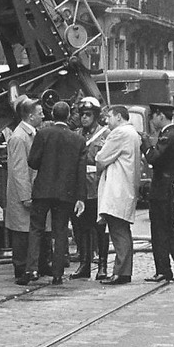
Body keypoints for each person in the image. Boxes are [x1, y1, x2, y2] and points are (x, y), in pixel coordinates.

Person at [25, 100, 86, 286]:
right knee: (60, 231)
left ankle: (31, 270)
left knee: (36, 228)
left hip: (43, 189)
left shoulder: (43, 134)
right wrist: (80, 197)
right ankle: (58, 274)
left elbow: (33, 161)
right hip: (65, 192)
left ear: (52, 114)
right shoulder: (78, 139)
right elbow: (80, 171)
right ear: (68, 116)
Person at [144, 103, 174, 281]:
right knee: (167, 229)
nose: (151, 120)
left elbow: (154, 158)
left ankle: (164, 270)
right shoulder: (173, 134)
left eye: (153, 116)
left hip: (164, 189)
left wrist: (146, 145)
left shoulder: (169, 135)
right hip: (169, 188)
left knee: (159, 230)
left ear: (160, 116)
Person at [95, 104, 141, 285]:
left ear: (119, 117)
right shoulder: (133, 133)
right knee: (122, 230)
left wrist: (101, 149)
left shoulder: (119, 133)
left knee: (118, 230)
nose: (107, 121)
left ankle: (121, 272)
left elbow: (101, 158)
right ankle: (124, 270)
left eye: (110, 117)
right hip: (125, 187)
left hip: (117, 189)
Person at [72, 97, 111, 280]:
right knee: (81, 228)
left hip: (98, 185)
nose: (84, 118)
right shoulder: (77, 134)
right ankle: (84, 264)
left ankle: (102, 265)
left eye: (88, 114)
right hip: (81, 187)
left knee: (100, 228)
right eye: (82, 114)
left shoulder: (106, 134)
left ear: (96, 116)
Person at [4, 96, 41, 283]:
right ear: (30, 116)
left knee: (27, 231)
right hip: (23, 195)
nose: (42, 115)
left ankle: (29, 267)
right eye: (40, 113)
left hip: (30, 192)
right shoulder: (19, 137)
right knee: (21, 232)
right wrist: (26, 196)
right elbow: (19, 169)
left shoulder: (30, 134)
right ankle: (21, 268)